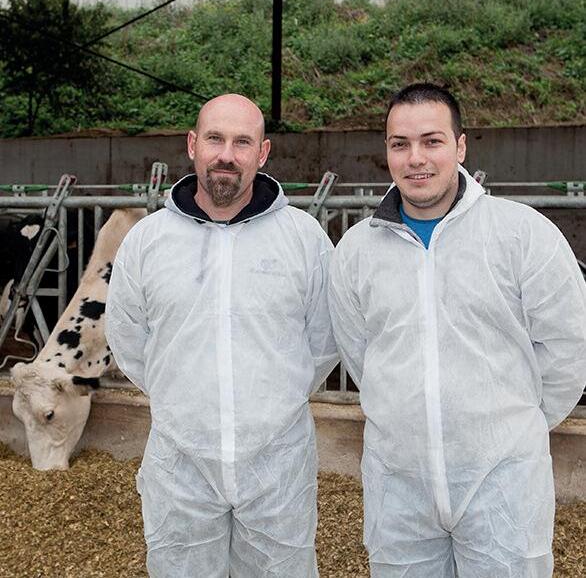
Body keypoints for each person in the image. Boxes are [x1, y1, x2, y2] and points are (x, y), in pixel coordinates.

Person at [328, 82, 586, 577]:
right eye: (400, 144)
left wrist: (509, 431)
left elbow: (568, 349)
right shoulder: (357, 250)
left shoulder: (521, 234)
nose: (415, 159)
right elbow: (360, 353)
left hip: (503, 486)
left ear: (461, 146)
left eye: (432, 141)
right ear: (386, 151)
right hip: (399, 487)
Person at [105, 93, 337, 578]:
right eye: (215, 139)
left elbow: (323, 341)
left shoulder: (303, 238)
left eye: (242, 142)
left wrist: (272, 402)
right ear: (192, 144)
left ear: (263, 152)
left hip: (276, 465)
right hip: (181, 462)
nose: (226, 155)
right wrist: (184, 399)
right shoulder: (149, 241)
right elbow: (129, 338)